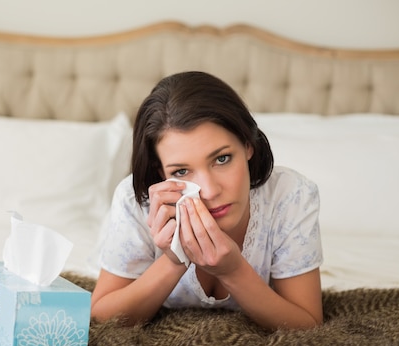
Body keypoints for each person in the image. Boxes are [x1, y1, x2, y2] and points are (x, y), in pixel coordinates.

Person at [91, 71, 323, 330]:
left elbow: (309, 325)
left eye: (222, 159)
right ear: (161, 173)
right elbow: (100, 318)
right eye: (181, 171)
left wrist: (233, 271)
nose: (210, 191)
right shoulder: (135, 201)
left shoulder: (290, 196)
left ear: (248, 144)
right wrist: (173, 260)